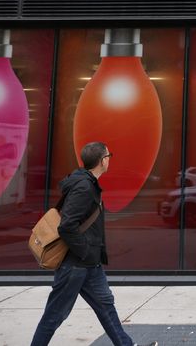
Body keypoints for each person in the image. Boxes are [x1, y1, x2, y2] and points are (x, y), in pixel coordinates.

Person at [31, 142, 156, 346]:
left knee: (106, 306)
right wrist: (86, 252)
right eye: (109, 155)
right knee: (55, 315)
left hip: (89, 264)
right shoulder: (84, 187)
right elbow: (67, 226)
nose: (109, 159)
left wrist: (90, 256)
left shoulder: (86, 183)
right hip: (75, 265)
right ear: (102, 161)